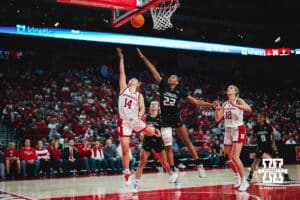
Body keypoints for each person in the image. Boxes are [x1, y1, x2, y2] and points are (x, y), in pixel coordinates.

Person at [136, 48, 215, 177]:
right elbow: (152, 70)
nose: (170, 77)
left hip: (175, 117)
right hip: (164, 120)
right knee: (168, 146)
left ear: (177, 82)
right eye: (170, 76)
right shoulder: (163, 85)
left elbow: (195, 101)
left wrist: (211, 104)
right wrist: (143, 57)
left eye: (173, 77)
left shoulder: (181, 91)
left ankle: (199, 164)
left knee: (187, 141)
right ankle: (172, 171)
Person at [116, 48, 161, 185]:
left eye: (135, 80)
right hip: (124, 122)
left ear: (138, 84)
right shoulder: (123, 88)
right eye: (132, 79)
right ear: (130, 83)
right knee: (125, 149)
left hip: (135, 119)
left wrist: (141, 114)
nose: (133, 79)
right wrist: (121, 58)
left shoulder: (139, 95)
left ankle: (156, 132)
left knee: (153, 132)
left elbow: (142, 108)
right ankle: (127, 174)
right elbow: (122, 72)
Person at [132, 101, 178, 193]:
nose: (153, 105)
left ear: (158, 107)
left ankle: (175, 179)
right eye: (152, 104)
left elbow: (166, 130)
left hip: (158, 141)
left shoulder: (161, 118)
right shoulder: (146, 117)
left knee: (164, 163)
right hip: (147, 141)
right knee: (142, 163)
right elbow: (141, 127)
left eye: (155, 104)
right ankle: (135, 185)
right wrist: (141, 133)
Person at [215, 85, 251, 191]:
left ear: (235, 91)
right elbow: (218, 119)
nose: (229, 89)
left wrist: (236, 105)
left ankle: (244, 181)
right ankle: (237, 176)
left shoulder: (239, 100)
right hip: (228, 131)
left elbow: (249, 109)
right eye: (228, 88)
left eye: (231, 88)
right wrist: (217, 109)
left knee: (235, 157)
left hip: (238, 129)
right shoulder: (225, 103)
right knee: (228, 157)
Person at [247, 112, 290, 182]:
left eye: (260, 117)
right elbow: (251, 136)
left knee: (277, 160)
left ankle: (286, 175)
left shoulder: (268, 126)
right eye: (258, 117)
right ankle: (250, 176)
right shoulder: (256, 127)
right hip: (261, 146)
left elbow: (272, 134)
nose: (258, 118)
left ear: (263, 118)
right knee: (256, 161)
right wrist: (249, 139)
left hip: (269, 145)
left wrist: (273, 143)